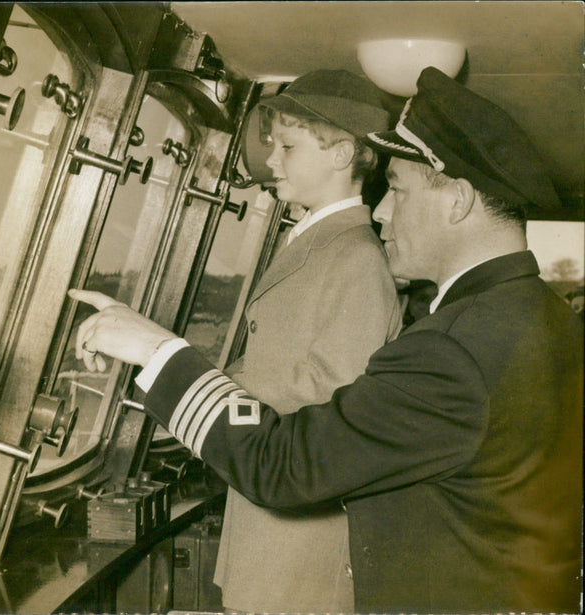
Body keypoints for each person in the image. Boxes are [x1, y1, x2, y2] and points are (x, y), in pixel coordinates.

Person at [69, 67, 583, 613]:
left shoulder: (453, 350)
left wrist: (156, 350)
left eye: (400, 192)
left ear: (455, 200)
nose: (382, 211)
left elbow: (286, 466)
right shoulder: (543, 317)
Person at [211, 70, 401, 614]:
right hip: (270, 519)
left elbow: (333, 400)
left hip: (300, 539)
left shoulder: (357, 257)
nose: (271, 160)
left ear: (343, 155)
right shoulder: (312, 240)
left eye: (288, 146)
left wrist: (201, 388)